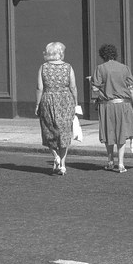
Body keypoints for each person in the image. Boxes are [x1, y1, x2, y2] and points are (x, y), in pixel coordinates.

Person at [91, 44, 133, 173]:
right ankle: (121, 164)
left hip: (107, 105)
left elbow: (95, 89)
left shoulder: (100, 68)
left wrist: (95, 82)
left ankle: (110, 161)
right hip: (123, 104)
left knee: (109, 133)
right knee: (121, 134)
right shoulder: (124, 68)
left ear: (102, 55)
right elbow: (131, 88)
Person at [35, 41, 78, 176]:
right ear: (60, 53)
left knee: (49, 130)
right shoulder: (68, 67)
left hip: (48, 99)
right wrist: (76, 103)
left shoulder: (43, 67)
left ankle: (56, 156)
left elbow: (40, 88)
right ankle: (63, 165)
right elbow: (73, 87)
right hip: (66, 100)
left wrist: (37, 104)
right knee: (64, 133)